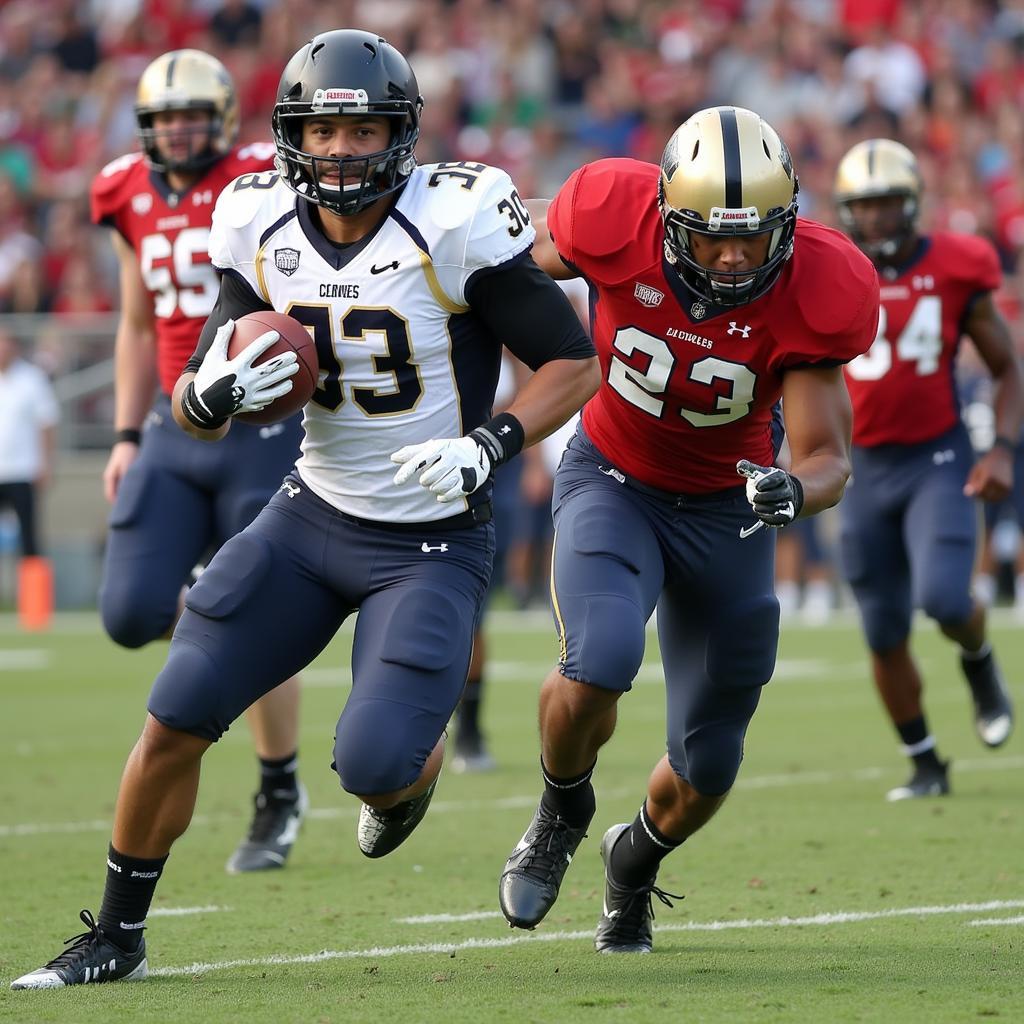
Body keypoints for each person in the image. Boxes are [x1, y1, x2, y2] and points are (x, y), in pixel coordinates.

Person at [11, 28, 598, 990]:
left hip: (431, 536)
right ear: (289, 139)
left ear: (399, 135)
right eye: (321, 135)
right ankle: (115, 934)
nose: (340, 153)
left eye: (362, 131)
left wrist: (492, 441)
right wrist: (203, 401)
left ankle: (409, 771)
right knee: (175, 714)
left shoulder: (452, 222)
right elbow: (208, 384)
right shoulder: (255, 222)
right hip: (309, 514)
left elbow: (573, 362)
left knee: (375, 764)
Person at [497, 106, 879, 954]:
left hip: (728, 510)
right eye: (712, 240)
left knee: (709, 763)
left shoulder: (822, 283)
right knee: (596, 659)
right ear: (668, 219)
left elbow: (828, 458)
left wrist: (792, 489)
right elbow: (509, 281)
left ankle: (630, 862)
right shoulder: (607, 213)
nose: (736, 257)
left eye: (755, 238)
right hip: (614, 479)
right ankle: (561, 810)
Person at [90, 49, 308, 875]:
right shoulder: (122, 190)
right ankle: (223, 628)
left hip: (258, 422)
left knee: (247, 606)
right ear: (146, 127)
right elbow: (138, 323)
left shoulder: (264, 175)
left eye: (193, 113)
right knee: (129, 613)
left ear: (222, 117)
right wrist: (122, 435)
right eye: (164, 117)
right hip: (176, 422)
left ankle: (279, 787)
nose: (179, 129)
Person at [832, 138, 1021, 801]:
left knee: (943, 599)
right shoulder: (827, 269)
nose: (877, 219)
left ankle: (979, 658)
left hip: (935, 458)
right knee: (882, 630)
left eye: (888, 205)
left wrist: (999, 447)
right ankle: (925, 763)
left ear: (911, 205)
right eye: (865, 207)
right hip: (859, 469)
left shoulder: (956, 264)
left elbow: (1006, 368)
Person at [0, 326, 59, 627]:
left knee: (30, 540)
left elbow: (46, 423)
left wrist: (45, 465)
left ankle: (34, 611)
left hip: (22, 471)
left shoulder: (31, 379)